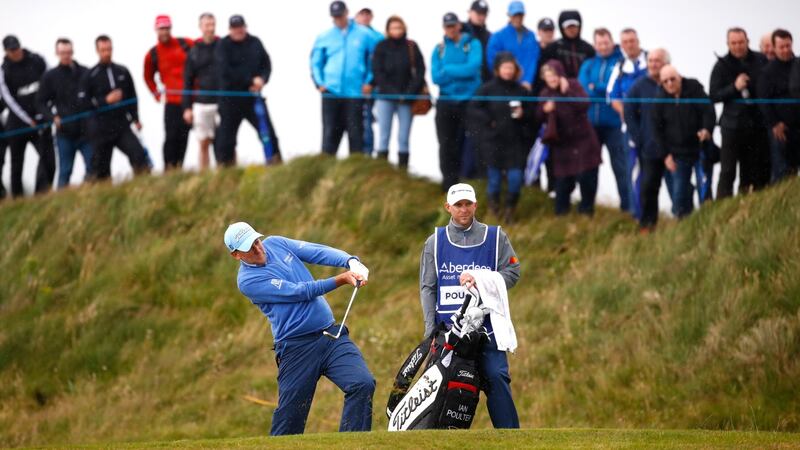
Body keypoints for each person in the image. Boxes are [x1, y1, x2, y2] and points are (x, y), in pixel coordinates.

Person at [224, 222, 374, 436]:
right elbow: (299, 292)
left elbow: (316, 251)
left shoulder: (275, 243)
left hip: (331, 336)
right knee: (289, 422)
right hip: (296, 349)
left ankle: (352, 444)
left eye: (256, 241)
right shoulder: (248, 281)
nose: (258, 248)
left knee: (362, 384)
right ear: (236, 255)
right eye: (250, 247)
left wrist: (349, 260)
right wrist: (341, 279)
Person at [418, 183, 521, 429]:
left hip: (487, 328)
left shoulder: (496, 237)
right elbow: (428, 287)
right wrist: (430, 329)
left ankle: (512, 439)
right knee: (441, 386)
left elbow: (513, 272)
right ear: (448, 207)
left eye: (467, 204)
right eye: (458, 205)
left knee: (496, 377)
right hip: (449, 331)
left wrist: (483, 281)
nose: (463, 210)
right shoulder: (434, 242)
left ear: (475, 205)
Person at [468, 53, 533, 222]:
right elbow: (474, 108)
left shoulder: (522, 91)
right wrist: (489, 121)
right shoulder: (487, 88)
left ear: (516, 70)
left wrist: (523, 115)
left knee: (515, 179)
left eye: (511, 68)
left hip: (516, 143)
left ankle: (510, 211)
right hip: (493, 142)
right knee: (494, 180)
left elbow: (533, 115)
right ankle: (494, 211)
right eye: (505, 67)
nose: (508, 71)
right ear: (498, 69)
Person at [311, 1, 378, 157]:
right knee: (329, 136)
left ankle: (356, 172)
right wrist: (320, 83)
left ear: (347, 13)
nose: (339, 19)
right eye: (335, 16)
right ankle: (326, 174)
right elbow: (315, 62)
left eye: (341, 15)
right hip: (331, 93)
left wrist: (369, 81)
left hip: (355, 93)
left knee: (356, 136)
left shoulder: (365, 34)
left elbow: (374, 60)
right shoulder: (324, 37)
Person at [79, 35, 150, 180]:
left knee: (139, 155)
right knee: (101, 170)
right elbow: (83, 103)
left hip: (122, 125)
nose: (107, 53)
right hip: (100, 129)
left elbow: (132, 97)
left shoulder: (122, 70)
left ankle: (144, 186)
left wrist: (136, 118)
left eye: (109, 49)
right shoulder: (90, 75)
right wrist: (105, 100)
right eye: (103, 50)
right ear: (97, 51)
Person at [710, 27, 770, 198]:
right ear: (728, 44)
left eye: (741, 42)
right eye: (733, 43)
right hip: (731, 127)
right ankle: (722, 208)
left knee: (751, 169)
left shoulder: (760, 60)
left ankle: (746, 207)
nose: (737, 46)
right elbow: (713, 96)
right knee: (728, 170)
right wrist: (734, 88)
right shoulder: (721, 65)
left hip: (757, 125)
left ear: (747, 41)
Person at [536, 59, 602, 216]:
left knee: (587, 180)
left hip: (584, 142)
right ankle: (561, 217)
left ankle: (586, 214)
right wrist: (545, 110)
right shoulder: (544, 94)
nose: (551, 78)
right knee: (563, 183)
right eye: (547, 75)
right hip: (562, 146)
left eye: (553, 74)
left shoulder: (573, 85)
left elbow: (584, 105)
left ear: (560, 74)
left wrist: (567, 92)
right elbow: (537, 118)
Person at [215, 14, 281, 166]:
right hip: (230, 101)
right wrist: (250, 81)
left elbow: (266, 64)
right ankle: (224, 171)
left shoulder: (255, 42)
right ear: (230, 29)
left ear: (245, 27)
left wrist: (262, 80)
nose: (238, 30)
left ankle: (276, 166)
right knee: (226, 141)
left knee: (268, 135)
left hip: (253, 99)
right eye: (235, 28)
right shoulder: (223, 45)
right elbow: (225, 71)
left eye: (240, 27)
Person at [652, 65, 716, 219]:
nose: (669, 84)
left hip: (700, 149)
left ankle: (709, 222)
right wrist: (665, 155)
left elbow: (708, 111)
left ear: (679, 77)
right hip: (677, 155)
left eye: (672, 79)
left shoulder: (694, 88)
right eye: (665, 81)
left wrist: (707, 129)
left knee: (705, 191)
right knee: (679, 197)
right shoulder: (659, 100)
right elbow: (657, 131)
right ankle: (684, 227)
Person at [578, 28, 629, 212]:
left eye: (606, 42)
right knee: (588, 168)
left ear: (612, 42)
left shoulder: (621, 63)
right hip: (591, 126)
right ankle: (586, 209)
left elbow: (613, 87)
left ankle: (628, 208)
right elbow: (583, 89)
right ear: (595, 45)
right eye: (599, 43)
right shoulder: (589, 64)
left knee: (621, 168)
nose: (603, 46)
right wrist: (601, 88)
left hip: (615, 125)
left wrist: (598, 87)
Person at [431, 12, 483, 191]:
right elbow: (436, 77)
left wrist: (448, 69)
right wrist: (458, 72)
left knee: (470, 142)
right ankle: (448, 184)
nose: (451, 29)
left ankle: (469, 182)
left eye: (453, 25)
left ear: (459, 25)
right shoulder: (439, 49)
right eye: (447, 26)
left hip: (469, 101)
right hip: (445, 101)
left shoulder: (472, 44)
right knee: (446, 143)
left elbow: (472, 68)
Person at [0, 34, 55, 197]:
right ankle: (18, 198)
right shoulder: (4, 70)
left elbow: (51, 84)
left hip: (41, 119)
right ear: (6, 51)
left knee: (48, 158)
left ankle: (42, 193)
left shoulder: (37, 60)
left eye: (17, 48)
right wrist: (27, 119)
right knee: (17, 163)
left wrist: (45, 113)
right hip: (17, 124)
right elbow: (8, 99)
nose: (15, 52)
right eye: (11, 50)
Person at [626, 49, 673, 231]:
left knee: (678, 187)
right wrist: (638, 138)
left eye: (658, 61)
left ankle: (683, 221)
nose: (653, 64)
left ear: (666, 63)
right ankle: (647, 225)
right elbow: (629, 112)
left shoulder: (674, 82)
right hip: (650, 148)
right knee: (648, 189)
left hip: (674, 148)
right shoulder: (639, 85)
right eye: (651, 60)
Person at [36, 38, 92, 188]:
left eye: (68, 52)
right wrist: (52, 117)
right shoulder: (50, 76)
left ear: (72, 52)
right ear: (57, 53)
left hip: (86, 132)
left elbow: (94, 96)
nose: (66, 56)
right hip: (64, 134)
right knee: (65, 172)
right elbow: (40, 102)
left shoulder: (85, 72)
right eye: (62, 53)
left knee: (93, 168)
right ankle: (61, 204)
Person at [371, 16, 425, 169]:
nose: (396, 30)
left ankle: (402, 172)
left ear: (404, 28)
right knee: (383, 135)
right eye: (393, 28)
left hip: (407, 99)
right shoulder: (381, 46)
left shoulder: (411, 46)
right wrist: (393, 93)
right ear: (388, 30)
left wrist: (408, 93)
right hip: (385, 97)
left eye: (399, 27)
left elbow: (420, 71)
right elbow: (377, 72)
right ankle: (382, 171)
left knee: (403, 137)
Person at [607, 28, 648, 218]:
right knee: (633, 172)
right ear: (621, 45)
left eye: (632, 40)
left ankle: (678, 214)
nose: (630, 45)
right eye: (625, 42)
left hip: (656, 127)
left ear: (638, 40)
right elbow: (612, 96)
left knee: (666, 170)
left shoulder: (652, 61)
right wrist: (628, 114)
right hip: (630, 129)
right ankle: (637, 216)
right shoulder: (620, 66)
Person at [144, 15, 193, 170]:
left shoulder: (185, 44)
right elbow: (147, 76)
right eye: (161, 29)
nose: (164, 32)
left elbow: (203, 50)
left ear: (170, 29)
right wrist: (156, 94)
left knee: (184, 136)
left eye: (167, 28)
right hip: (171, 101)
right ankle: (168, 168)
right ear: (156, 30)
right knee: (171, 136)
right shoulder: (152, 54)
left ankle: (178, 168)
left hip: (189, 100)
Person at [758, 29, 799, 182]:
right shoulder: (767, 72)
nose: (785, 50)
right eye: (781, 47)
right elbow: (763, 101)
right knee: (781, 169)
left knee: (795, 167)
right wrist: (775, 123)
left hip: (798, 125)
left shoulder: (798, 64)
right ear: (774, 48)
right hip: (779, 128)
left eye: (788, 46)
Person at [183, 12, 220, 171]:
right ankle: (204, 177)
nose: (210, 28)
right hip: (202, 103)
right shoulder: (194, 51)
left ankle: (229, 173)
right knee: (204, 143)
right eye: (207, 25)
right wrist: (187, 108)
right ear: (201, 27)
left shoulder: (223, 46)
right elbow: (187, 82)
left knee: (224, 142)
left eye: (212, 24)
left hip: (222, 102)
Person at [486, 1, 539, 91]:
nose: (518, 18)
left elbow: (533, 60)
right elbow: (492, 60)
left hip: (525, 86)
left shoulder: (531, 36)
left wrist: (527, 80)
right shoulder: (498, 36)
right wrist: (503, 80)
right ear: (509, 15)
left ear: (524, 15)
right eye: (515, 15)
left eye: (520, 15)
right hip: (505, 86)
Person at [355, 8, 384, 157]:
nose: (365, 17)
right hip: (349, 88)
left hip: (369, 87)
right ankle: (356, 155)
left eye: (367, 14)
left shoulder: (378, 37)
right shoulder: (345, 34)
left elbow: (378, 64)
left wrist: (369, 83)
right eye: (361, 14)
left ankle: (366, 154)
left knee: (366, 119)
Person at [541, 10, 595, 79]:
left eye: (574, 26)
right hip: (560, 87)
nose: (571, 29)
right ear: (562, 28)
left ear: (579, 27)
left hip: (583, 87)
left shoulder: (588, 49)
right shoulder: (553, 48)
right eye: (568, 27)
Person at [462, 0, 492, 82]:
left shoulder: (490, 37)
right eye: (478, 13)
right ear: (470, 12)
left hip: (483, 81)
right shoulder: (459, 32)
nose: (481, 17)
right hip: (463, 81)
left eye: (484, 14)